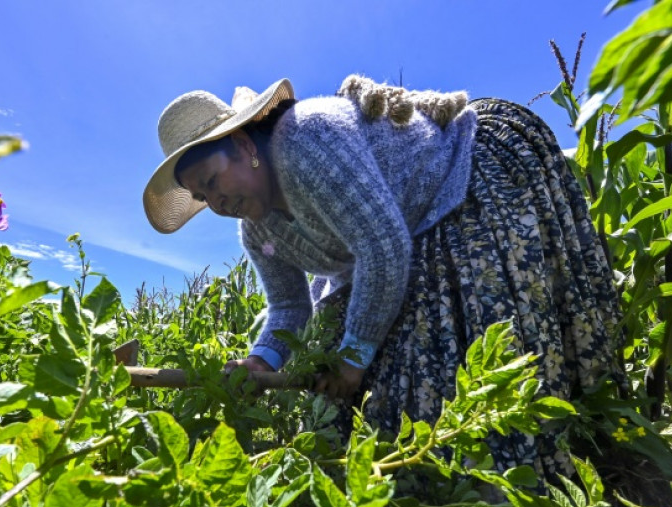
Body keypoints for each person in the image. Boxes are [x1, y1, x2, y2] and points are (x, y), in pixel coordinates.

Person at [142, 76, 622, 480]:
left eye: (211, 181)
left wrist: (353, 358)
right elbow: (289, 308)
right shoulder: (258, 230)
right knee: (353, 370)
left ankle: (562, 466)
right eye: (202, 197)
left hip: (457, 177)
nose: (216, 203)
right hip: (400, 231)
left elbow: (384, 248)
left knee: (456, 351)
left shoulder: (305, 140)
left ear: (244, 145)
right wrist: (260, 361)